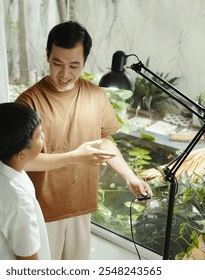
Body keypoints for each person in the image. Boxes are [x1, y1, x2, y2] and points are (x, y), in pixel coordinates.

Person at [15, 21, 151, 260]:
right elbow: (23, 161)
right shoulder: (28, 102)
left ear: (85, 62)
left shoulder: (96, 95)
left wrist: (129, 176)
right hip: (42, 208)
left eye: (74, 65)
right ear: (47, 55)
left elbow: (104, 142)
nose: (65, 74)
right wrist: (75, 156)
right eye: (57, 63)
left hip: (81, 203)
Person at [0, 102, 50, 260]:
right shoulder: (18, 202)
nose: (43, 136)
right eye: (39, 135)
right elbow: (27, 258)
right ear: (22, 154)